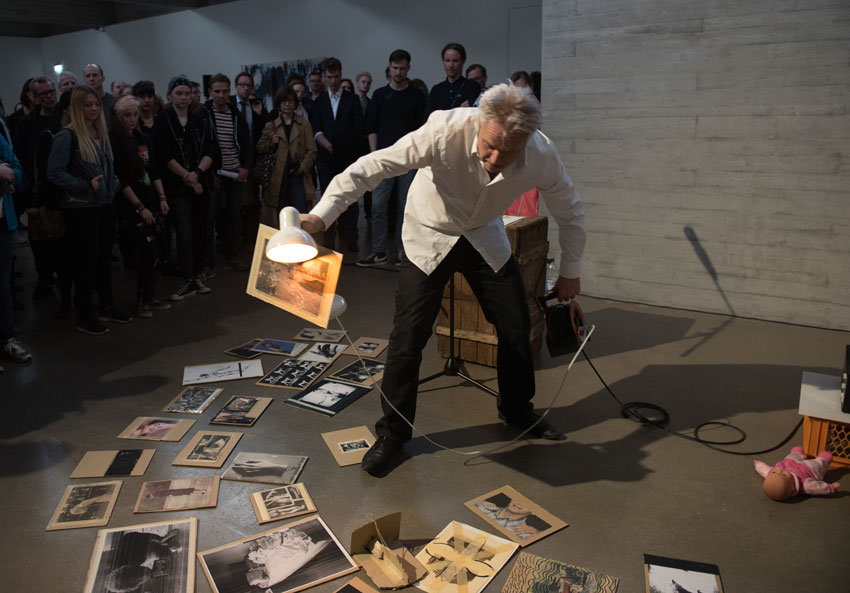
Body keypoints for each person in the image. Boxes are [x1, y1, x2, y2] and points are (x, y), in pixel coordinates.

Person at [301, 84, 586, 476]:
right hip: (429, 232)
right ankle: (394, 433)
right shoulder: (443, 130)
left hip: (484, 233)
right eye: (490, 146)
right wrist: (322, 215)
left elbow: (570, 212)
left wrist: (570, 271)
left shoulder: (542, 154)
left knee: (517, 326)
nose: (495, 160)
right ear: (480, 122)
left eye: (509, 152)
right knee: (408, 337)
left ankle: (518, 409)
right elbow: (372, 167)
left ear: (528, 140)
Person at [47, 84, 129, 335]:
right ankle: (85, 315)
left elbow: (107, 166)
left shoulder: (100, 133)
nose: (94, 109)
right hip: (81, 208)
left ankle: (106, 306)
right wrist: (84, 186)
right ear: (76, 108)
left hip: (103, 204)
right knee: (85, 263)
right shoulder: (67, 136)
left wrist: (113, 183)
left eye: (96, 104)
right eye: (88, 105)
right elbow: (54, 172)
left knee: (103, 260)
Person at [152, 75, 219, 301]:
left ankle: (198, 275)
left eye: (187, 93)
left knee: (201, 231)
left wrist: (197, 173)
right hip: (177, 186)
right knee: (183, 234)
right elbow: (164, 155)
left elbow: (210, 150)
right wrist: (187, 177)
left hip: (201, 184)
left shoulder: (199, 118)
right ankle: (187, 278)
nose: (183, 97)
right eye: (178, 93)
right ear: (170, 95)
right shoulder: (163, 120)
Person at [357, 49, 425, 267]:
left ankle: (402, 251)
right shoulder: (379, 95)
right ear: (389, 67)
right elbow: (372, 127)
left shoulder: (417, 96)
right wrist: (374, 154)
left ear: (408, 68)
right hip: (384, 159)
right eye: (395, 68)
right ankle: (379, 251)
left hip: (409, 160)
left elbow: (422, 130)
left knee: (405, 208)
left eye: (402, 68)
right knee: (378, 205)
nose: (398, 72)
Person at [109, 94, 172, 318]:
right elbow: (121, 180)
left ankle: (149, 295)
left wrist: (162, 198)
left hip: (150, 199)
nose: (132, 119)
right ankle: (142, 301)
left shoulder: (142, 138)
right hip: (130, 204)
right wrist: (139, 207)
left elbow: (153, 170)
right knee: (144, 251)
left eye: (135, 114)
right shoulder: (113, 142)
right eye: (127, 115)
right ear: (117, 116)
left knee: (154, 251)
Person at [310, 57, 364, 253]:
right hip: (326, 158)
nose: (333, 81)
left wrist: (338, 144)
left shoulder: (352, 99)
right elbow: (316, 128)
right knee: (328, 199)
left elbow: (358, 128)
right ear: (325, 77)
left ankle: (351, 238)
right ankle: (329, 239)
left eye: (336, 77)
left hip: (347, 157)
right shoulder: (320, 101)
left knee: (351, 199)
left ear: (341, 75)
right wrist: (326, 143)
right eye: (329, 77)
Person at [199, 73, 253, 272]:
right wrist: (208, 174)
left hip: (234, 173)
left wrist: (245, 167)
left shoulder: (236, 115)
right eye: (217, 91)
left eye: (224, 91)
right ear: (210, 92)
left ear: (229, 91)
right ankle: (207, 262)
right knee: (209, 218)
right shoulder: (202, 115)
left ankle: (232, 256)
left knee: (234, 217)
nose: (221, 95)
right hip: (213, 173)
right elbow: (199, 147)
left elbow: (247, 144)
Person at [255, 86, 317, 219]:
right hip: (278, 176)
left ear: (295, 102)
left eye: (290, 101)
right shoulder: (271, 125)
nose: (287, 104)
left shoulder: (304, 124)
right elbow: (259, 148)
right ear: (278, 104)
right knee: (282, 215)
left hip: (298, 174)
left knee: (300, 214)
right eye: (284, 101)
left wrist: (302, 168)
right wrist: (271, 143)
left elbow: (312, 150)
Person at [0, 134, 32, 366]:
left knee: (2, 285)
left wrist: (9, 173)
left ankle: (7, 339)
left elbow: (19, 171)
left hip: (3, 221)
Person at [427, 42, 481, 114]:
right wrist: (459, 110)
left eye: (455, 61)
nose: (451, 65)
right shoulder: (436, 90)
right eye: (447, 61)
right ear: (443, 61)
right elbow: (429, 117)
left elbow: (474, 115)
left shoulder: (472, 86)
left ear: (463, 61)